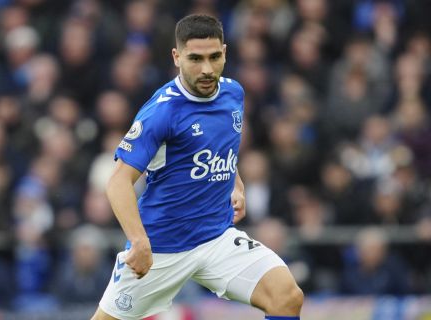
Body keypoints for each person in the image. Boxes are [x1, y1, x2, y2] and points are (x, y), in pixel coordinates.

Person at [92, 14, 303, 320]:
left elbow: (220, 145)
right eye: (195, 59)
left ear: (225, 53)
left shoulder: (234, 93)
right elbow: (118, 182)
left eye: (214, 57)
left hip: (216, 237)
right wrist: (139, 240)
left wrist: (236, 183)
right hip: (162, 246)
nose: (206, 69)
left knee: (287, 296)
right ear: (177, 57)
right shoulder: (161, 112)